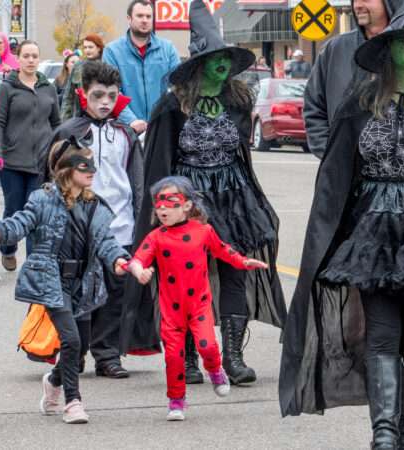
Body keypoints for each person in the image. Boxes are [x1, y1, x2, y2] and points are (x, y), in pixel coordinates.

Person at [279, 2, 404, 448]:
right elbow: (333, 178)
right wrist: (323, 241)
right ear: (389, 50)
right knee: (382, 334)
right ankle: (385, 432)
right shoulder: (360, 103)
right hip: (371, 236)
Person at [125, 0, 285, 387]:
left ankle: (232, 355)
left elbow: (242, 153)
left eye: (226, 59)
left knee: (234, 271)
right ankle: (191, 356)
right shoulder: (172, 106)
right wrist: (163, 210)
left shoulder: (237, 102)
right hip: (188, 202)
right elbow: (159, 165)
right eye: (214, 59)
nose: (222, 66)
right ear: (198, 65)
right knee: (186, 278)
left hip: (233, 198)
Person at [0, 138, 129, 424]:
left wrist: (118, 259)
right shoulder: (42, 199)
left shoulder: (95, 205)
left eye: (93, 164)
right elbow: (19, 224)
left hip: (84, 282)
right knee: (70, 339)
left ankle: (53, 380)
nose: (92, 170)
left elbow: (105, 241)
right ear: (66, 170)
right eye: (84, 165)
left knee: (80, 345)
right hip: (52, 281)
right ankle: (73, 402)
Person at [126, 176, 269, 420]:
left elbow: (224, 250)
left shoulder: (203, 231)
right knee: (173, 357)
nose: (162, 208)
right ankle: (176, 401)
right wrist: (140, 271)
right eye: (158, 203)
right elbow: (138, 258)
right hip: (171, 309)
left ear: (187, 206)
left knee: (208, 346)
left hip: (199, 305)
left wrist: (244, 262)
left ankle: (215, 371)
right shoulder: (156, 237)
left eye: (171, 201)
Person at [50, 60, 147, 378]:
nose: (105, 102)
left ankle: (107, 355)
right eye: (98, 95)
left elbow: (136, 180)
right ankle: (74, 353)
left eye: (111, 95)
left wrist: (140, 219)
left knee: (115, 292)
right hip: (79, 230)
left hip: (120, 227)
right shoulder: (68, 133)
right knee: (78, 293)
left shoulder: (125, 135)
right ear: (83, 96)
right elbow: (52, 180)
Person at [0, 40, 61, 272]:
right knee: (14, 209)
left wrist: (59, 153)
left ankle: (32, 262)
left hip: (41, 164)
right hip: (11, 162)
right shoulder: (7, 88)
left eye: (34, 56)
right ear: (18, 59)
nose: (31, 60)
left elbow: (57, 124)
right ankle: (8, 248)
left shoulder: (48, 88)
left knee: (37, 212)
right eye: (26, 56)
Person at [303, 0, 400, 158]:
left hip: (398, 172)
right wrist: (331, 154)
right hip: (343, 171)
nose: (358, 6)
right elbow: (314, 107)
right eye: (355, 0)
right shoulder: (335, 49)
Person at [103, 0, 180, 134]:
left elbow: (178, 87)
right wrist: (131, 120)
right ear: (129, 18)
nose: (144, 20)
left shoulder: (168, 49)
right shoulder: (112, 51)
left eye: (148, 16)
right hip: (126, 130)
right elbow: (111, 91)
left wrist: (166, 118)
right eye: (139, 16)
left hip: (162, 129)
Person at [61, 34, 105, 121]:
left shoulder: (107, 65)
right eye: (85, 47)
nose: (87, 50)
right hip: (79, 118)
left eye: (90, 47)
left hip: (102, 119)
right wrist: (64, 121)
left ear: (99, 48)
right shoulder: (78, 66)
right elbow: (69, 96)